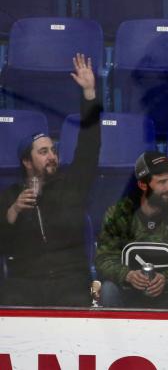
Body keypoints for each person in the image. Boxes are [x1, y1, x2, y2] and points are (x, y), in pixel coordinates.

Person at [0, 54, 101, 306]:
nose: (52, 156)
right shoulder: (10, 196)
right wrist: (12, 213)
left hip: (70, 280)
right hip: (25, 281)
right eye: (43, 152)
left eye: (53, 150)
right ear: (27, 161)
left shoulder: (72, 184)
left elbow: (90, 144)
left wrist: (89, 94)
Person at [95, 151, 168, 309]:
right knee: (108, 290)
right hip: (128, 294)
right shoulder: (119, 214)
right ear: (142, 184)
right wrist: (127, 275)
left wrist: (167, 279)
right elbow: (104, 259)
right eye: (162, 182)